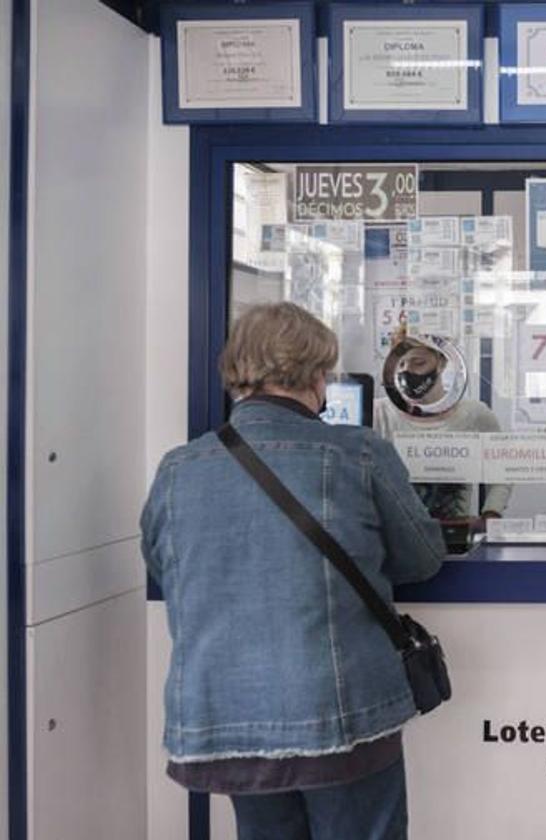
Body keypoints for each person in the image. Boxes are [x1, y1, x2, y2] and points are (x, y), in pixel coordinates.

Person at [141, 302, 446, 840]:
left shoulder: (178, 469)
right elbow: (421, 559)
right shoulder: (358, 453)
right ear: (314, 376)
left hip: (232, 713)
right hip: (340, 711)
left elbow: (166, 571)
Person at [374, 332, 511, 522]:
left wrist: (490, 515)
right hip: (395, 536)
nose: (407, 371)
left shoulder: (474, 414)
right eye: (401, 364)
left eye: (419, 363)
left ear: (442, 363)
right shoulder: (378, 413)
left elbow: (502, 473)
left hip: (454, 534)